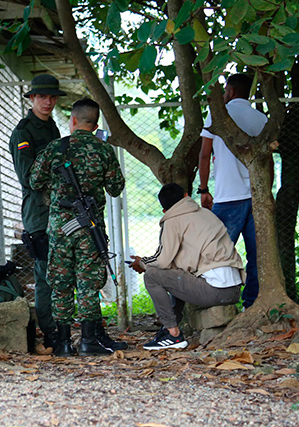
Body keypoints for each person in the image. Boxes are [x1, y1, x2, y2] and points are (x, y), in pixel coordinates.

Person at [30, 98, 126, 356]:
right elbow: (116, 188)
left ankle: (62, 343)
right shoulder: (103, 150)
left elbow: (34, 180)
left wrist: (54, 188)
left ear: (72, 120)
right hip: (89, 226)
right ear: (95, 125)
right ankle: (87, 341)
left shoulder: (55, 148)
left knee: (60, 282)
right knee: (88, 281)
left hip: (60, 228)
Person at [128, 183, 245, 350]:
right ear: (186, 196)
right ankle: (169, 328)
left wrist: (142, 263)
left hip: (214, 291)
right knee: (174, 273)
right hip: (233, 291)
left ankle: (172, 334)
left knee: (152, 275)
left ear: (164, 211)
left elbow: (162, 260)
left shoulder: (172, 219)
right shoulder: (207, 214)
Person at [198, 73, 268, 309]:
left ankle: (219, 303)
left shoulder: (218, 116)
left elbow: (205, 154)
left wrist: (204, 188)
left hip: (227, 197)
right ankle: (251, 304)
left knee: (216, 254)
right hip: (256, 197)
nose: (224, 94)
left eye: (226, 90)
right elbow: (268, 160)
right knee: (256, 256)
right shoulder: (261, 119)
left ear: (232, 91)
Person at [9, 74, 66, 351]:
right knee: (44, 275)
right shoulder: (24, 132)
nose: (48, 101)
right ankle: (51, 332)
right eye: (42, 96)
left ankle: (63, 327)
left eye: (52, 97)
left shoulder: (53, 127)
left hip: (60, 211)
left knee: (62, 272)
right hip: (39, 214)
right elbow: (28, 177)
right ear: (31, 98)